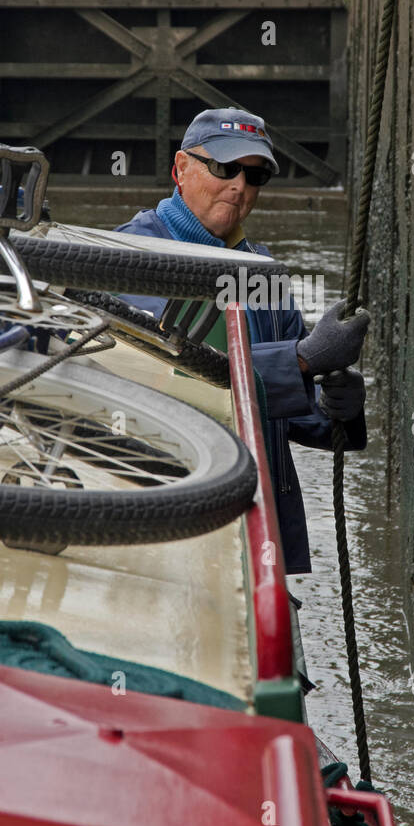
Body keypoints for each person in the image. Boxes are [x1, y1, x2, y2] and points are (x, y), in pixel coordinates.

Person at [114, 107, 370, 577]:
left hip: (256, 529)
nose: (240, 186)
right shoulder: (130, 257)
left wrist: (339, 409)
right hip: (172, 515)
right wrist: (302, 360)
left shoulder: (262, 270)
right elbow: (167, 371)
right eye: (224, 168)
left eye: (254, 176)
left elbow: (290, 402)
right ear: (180, 168)